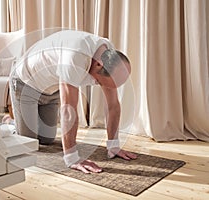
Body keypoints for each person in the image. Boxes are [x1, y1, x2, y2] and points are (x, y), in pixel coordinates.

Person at [9, 30, 137, 174]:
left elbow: (113, 105)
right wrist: (71, 158)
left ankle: (20, 118)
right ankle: (10, 124)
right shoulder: (74, 57)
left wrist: (113, 145)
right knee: (29, 144)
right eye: (104, 84)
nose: (107, 88)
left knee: (47, 140)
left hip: (52, 91)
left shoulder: (110, 56)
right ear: (99, 65)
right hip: (25, 84)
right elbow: (68, 111)